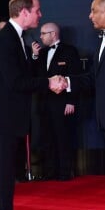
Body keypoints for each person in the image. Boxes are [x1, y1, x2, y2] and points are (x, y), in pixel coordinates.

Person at [0, 0, 65, 210]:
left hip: (7, 119)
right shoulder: (7, 41)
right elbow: (16, 82)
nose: (40, 14)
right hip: (3, 120)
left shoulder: (15, 39)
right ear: (24, 11)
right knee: (3, 179)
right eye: (37, 10)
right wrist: (48, 83)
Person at [52, 0, 105, 210]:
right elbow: (94, 78)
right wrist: (67, 82)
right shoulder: (101, 41)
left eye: (93, 10)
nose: (89, 15)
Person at [31, 22, 82, 180]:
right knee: (47, 137)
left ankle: (65, 172)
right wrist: (34, 56)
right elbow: (34, 76)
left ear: (53, 34)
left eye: (43, 33)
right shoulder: (42, 53)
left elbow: (75, 77)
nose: (40, 36)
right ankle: (50, 171)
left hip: (62, 102)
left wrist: (71, 101)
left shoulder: (69, 51)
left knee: (62, 136)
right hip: (44, 102)